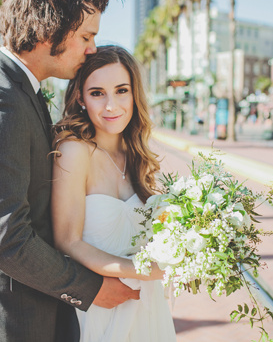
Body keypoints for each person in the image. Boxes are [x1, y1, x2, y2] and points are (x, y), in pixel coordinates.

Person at [0, 0, 139, 341]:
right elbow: (6, 239)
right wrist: (90, 288)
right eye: (85, 36)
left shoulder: (20, 91)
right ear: (51, 28)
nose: (91, 48)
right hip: (5, 321)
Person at [51, 45, 177, 341]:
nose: (111, 105)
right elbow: (67, 241)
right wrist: (144, 270)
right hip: (99, 309)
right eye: (97, 93)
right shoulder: (73, 152)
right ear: (80, 97)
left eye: (122, 90)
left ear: (135, 95)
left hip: (147, 305)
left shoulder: (135, 155)